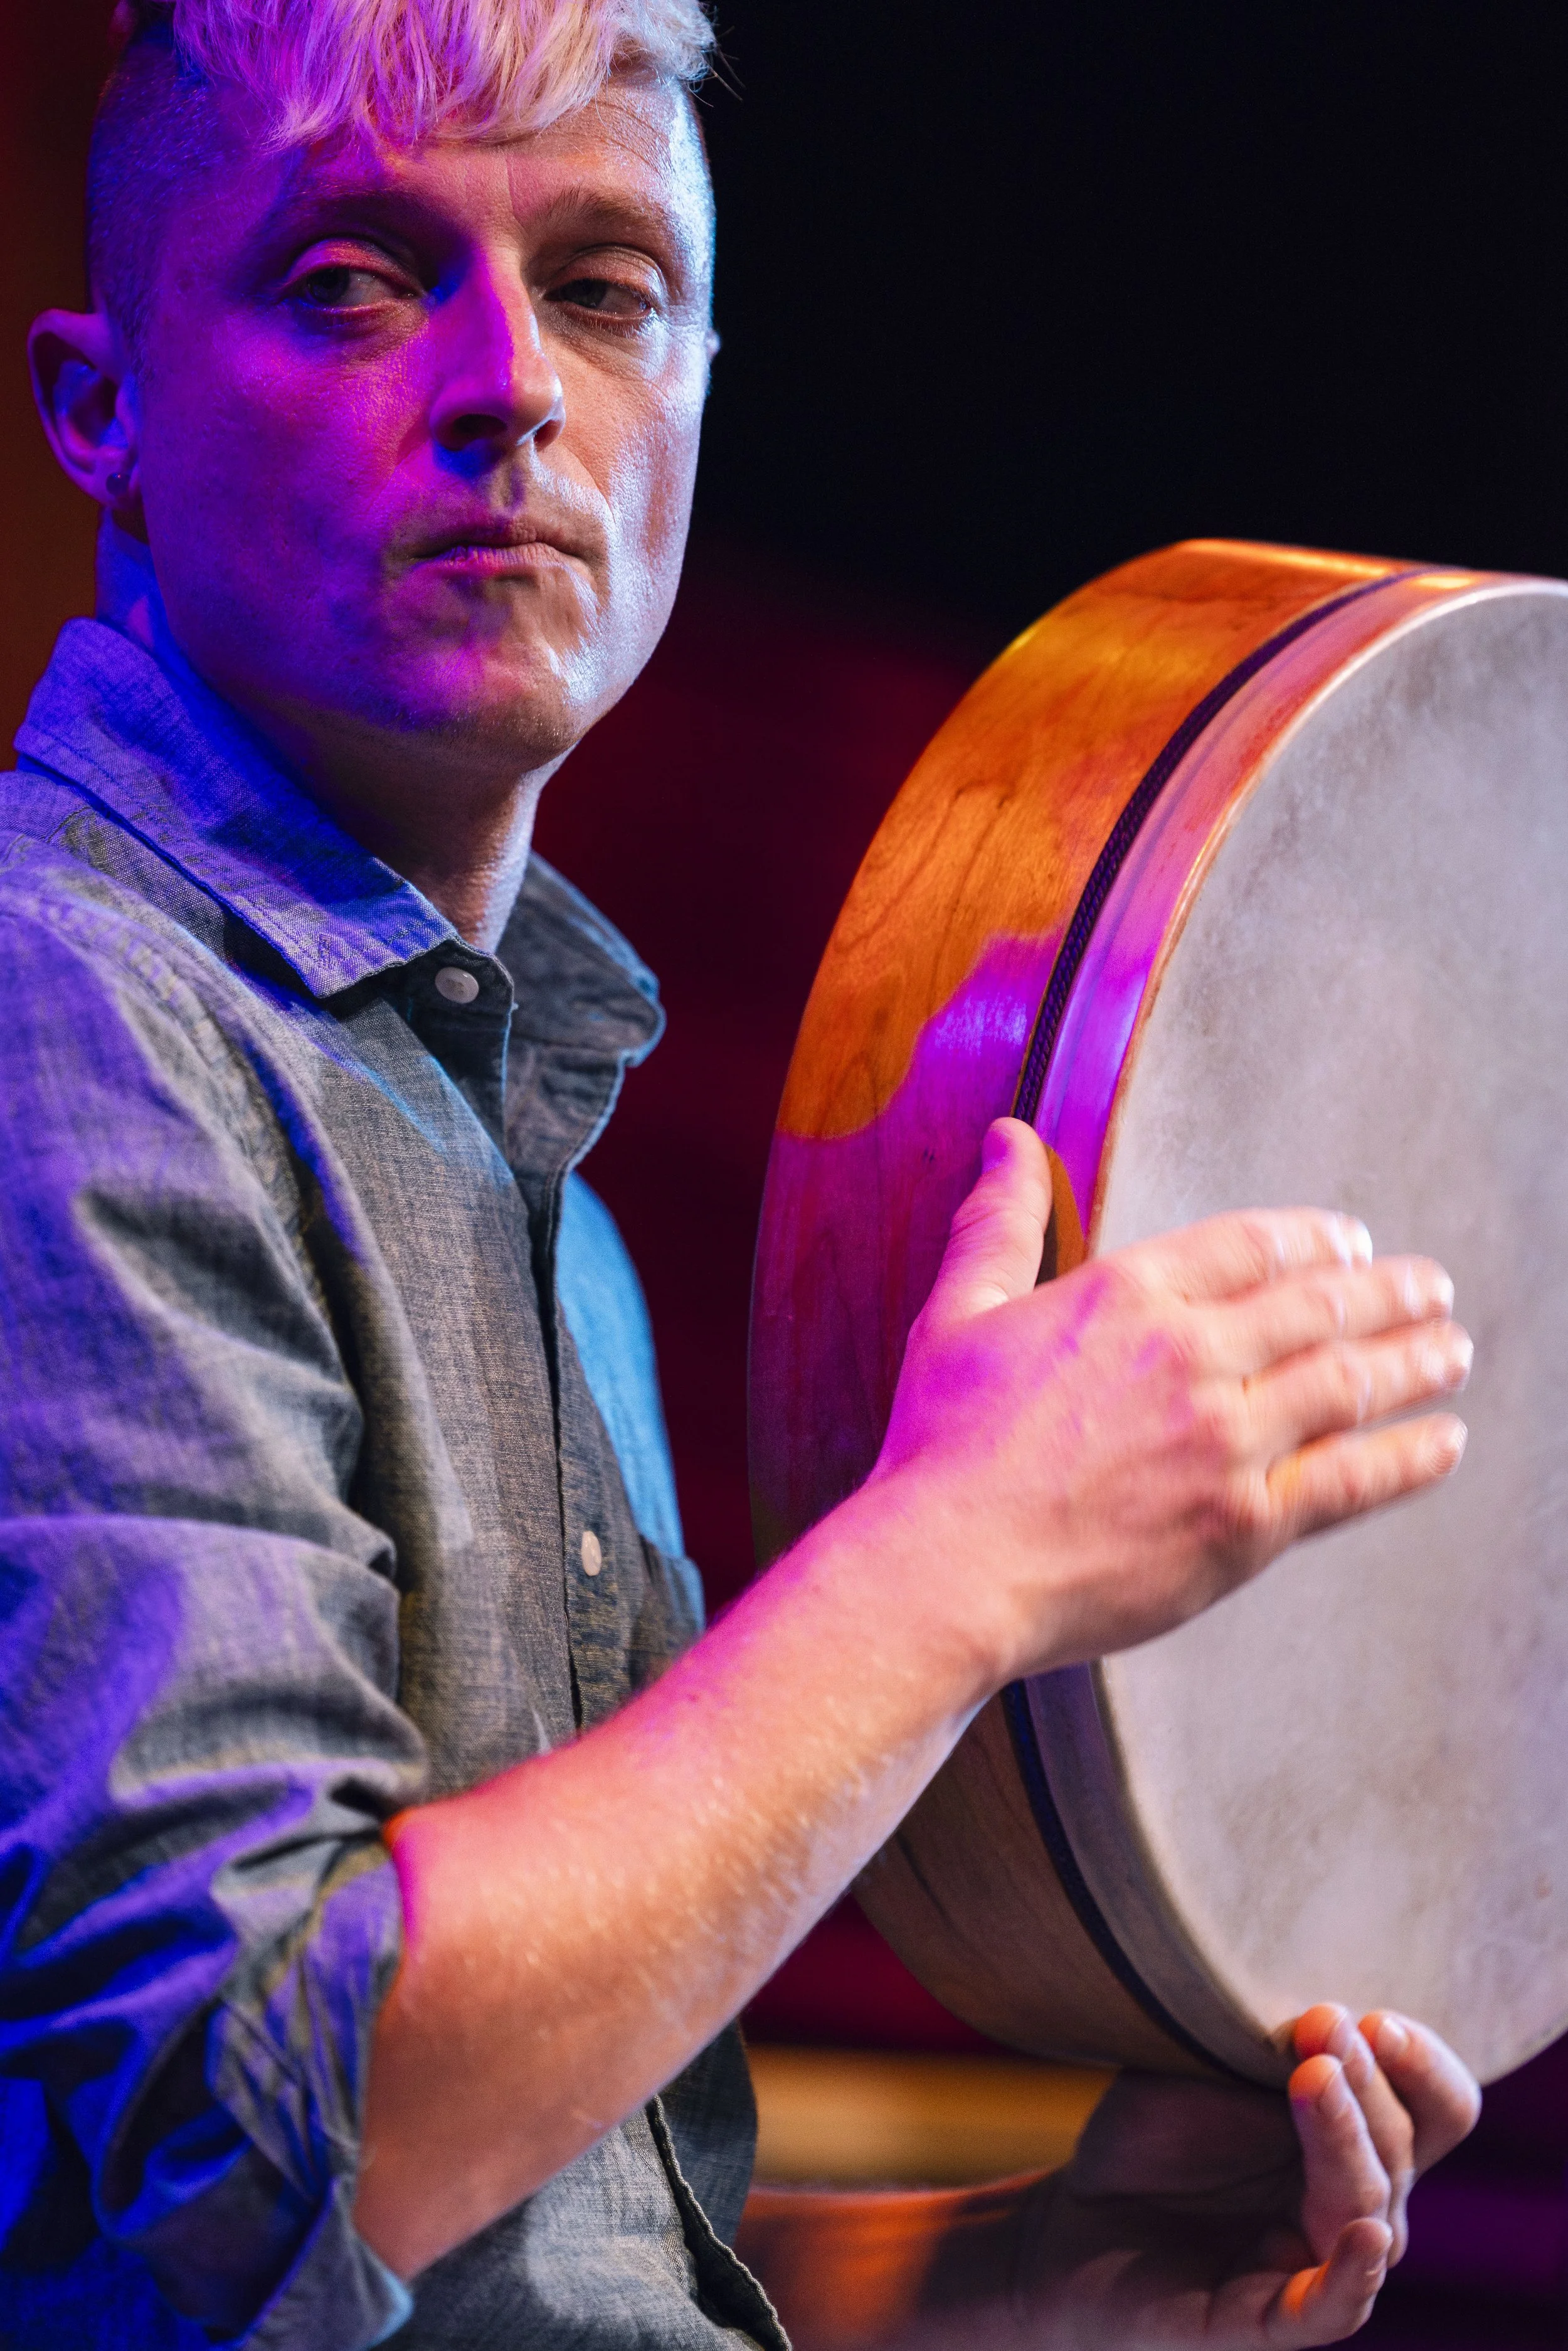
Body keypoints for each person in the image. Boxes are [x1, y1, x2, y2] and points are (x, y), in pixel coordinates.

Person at [0, 0, 1480, 2343]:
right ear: (101, 411)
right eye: (354, 279)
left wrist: (1025, 2267)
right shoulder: (56, 1004)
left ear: (694, 375)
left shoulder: (537, 1192)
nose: (511, 387)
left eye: (602, 289)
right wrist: (961, 1558)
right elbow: (244, 2133)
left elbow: (520, 2252)